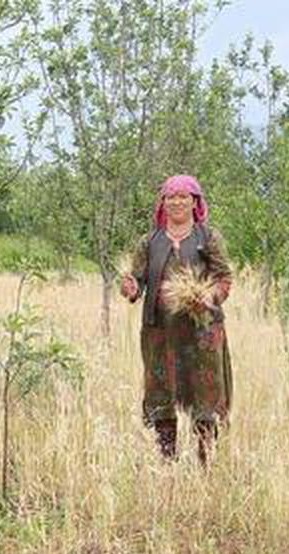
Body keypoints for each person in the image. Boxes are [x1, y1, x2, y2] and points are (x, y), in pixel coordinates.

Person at [120, 175, 233, 463]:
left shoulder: (208, 237)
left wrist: (209, 296)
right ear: (163, 203)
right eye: (171, 197)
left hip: (202, 333)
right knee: (162, 394)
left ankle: (205, 463)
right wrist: (131, 287)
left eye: (184, 196)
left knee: (205, 398)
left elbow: (223, 278)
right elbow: (137, 279)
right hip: (160, 334)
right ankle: (166, 462)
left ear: (195, 202)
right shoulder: (150, 241)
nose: (177, 202)